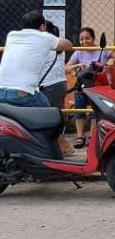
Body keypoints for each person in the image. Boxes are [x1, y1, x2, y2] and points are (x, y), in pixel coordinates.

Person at [65, 27, 115, 148]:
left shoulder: (102, 50)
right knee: (79, 104)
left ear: (93, 39)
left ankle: (92, 135)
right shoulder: (79, 52)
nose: (84, 42)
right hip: (82, 87)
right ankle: (80, 136)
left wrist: (112, 60)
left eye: (87, 38)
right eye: (81, 39)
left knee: (95, 109)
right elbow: (67, 68)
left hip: (98, 87)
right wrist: (77, 66)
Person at [0, 10, 73, 107]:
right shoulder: (44, 37)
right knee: (50, 114)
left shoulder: (11, 35)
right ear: (43, 26)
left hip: (1, 91)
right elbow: (68, 45)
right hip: (23, 94)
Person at [39, 20, 74, 156]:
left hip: (51, 85)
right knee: (50, 117)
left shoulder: (49, 46)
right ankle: (59, 146)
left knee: (50, 118)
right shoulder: (55, 46)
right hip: (54, 85)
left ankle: (64, 147)